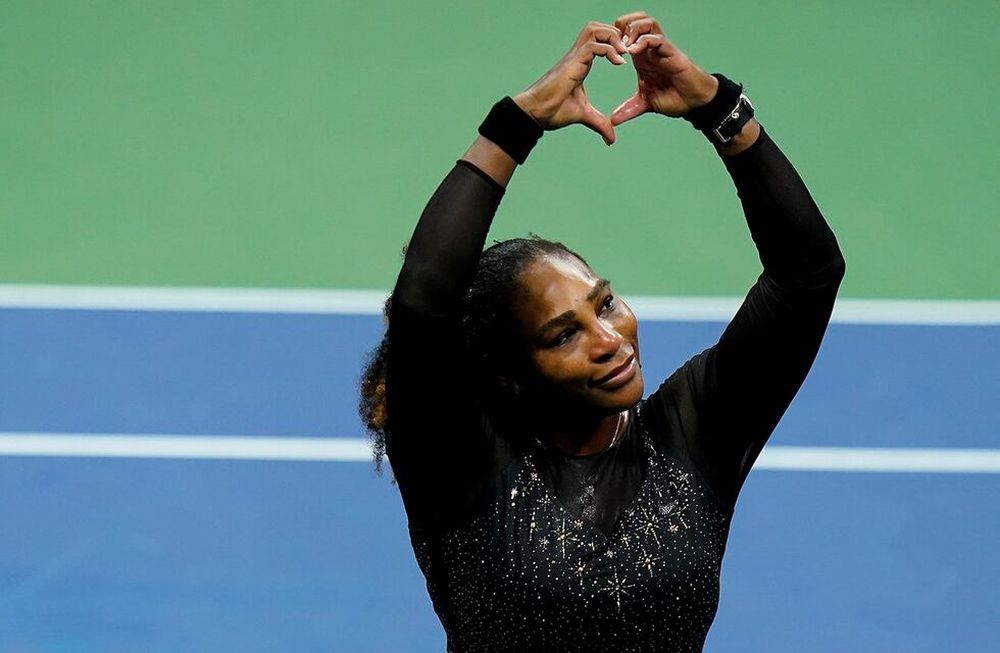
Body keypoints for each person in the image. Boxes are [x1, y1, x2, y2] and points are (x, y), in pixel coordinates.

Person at [359, 12, 845, 652]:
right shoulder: (459, 459)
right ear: (509, 371)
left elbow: (808, 274)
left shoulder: (695, 432)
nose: (610, 339)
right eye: (564, 335)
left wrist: (718, 109)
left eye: (605, 304)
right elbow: (423, 305)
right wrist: (517, 123)